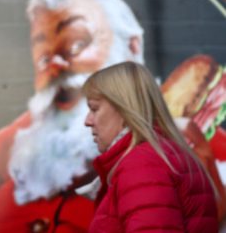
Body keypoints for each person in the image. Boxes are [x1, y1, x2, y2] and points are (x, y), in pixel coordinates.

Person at [0, 0, 145, 232]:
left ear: (132, 48)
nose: (56, 65)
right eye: (45, 56)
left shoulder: (178, 146)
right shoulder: (14, 141)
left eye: (77, 45)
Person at [83, 61, 218, 232]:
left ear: (125, 109)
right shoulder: (161, 155)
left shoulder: (142, 164)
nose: (87, 121)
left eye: (94, 109)